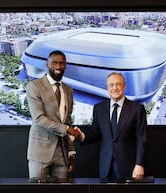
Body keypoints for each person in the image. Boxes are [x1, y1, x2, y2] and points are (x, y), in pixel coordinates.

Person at [76, 72, 147, 179]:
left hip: (129, 166)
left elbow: (141, 138)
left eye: (118, 84)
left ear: (124, 86)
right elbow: (96, 133)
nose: (115, 88)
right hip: (105, 166)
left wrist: (139, 164)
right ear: (107, 87)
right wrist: (81, 135)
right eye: (111, 85)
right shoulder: (99, 108)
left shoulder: (137, 109)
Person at [26, 50, 80, 179]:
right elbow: (39, 119)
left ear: (65, 66)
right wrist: (67, 129)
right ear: (47, 64)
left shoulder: (68, 90)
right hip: (40, 152)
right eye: (54, 62)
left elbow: (67, 121)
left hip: (62, 154)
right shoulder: (34, 86)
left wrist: (71, 152)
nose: (58, 66)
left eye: (61, 63)